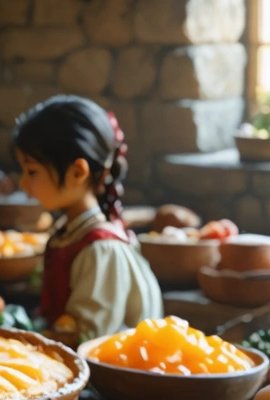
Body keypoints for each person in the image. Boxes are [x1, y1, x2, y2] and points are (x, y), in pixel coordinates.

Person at [13, 95, 161, 341]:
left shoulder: (101, 249)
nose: (23, 183)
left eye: (31, 171)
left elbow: (87, 335)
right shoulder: (69, 233)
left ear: (77, 172)